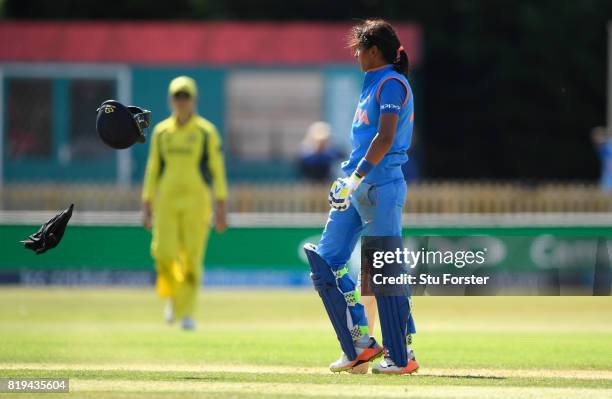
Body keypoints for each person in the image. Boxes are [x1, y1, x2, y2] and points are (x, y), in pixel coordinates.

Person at [303, 19, 419, 374]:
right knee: (327, 261)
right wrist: (347, 181)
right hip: (356, 185)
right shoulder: (370, 86)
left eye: (358, 49)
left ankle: (402, 356)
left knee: (384, 271)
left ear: (373, 50)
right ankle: (358, 343)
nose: (355, 55)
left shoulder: (392, 83)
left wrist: (354, 178)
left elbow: (384, 138)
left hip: (381, 186)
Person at [142, 76, 228, 330]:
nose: (181, 102)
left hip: (196, 201)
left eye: (185, 97)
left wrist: (221, 206)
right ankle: (173, 297)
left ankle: (187, 312)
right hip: (166, 200)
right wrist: (146, 204)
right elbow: (152, 169)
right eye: (177, 97)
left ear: (193, 100)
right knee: (164, 253)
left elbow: (217, 170)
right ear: (171, 100)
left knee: (191, 258)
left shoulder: (205, 132)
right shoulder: (161, 132)